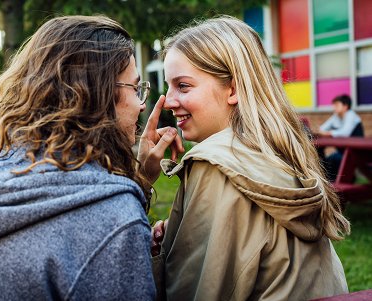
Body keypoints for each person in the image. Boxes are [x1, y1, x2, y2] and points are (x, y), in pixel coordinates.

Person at [0, 16, 156, 300]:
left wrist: (137, 182)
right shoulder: (112, 218)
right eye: (134, 88)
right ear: (98, 95)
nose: (142, 104)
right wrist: (126, 226)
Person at [139, 16, 351, 300]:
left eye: (184, 86)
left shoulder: (214, 164)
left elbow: (195, 291)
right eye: (168, 86)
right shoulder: (279, 150)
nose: (169, 100)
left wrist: (141, 183)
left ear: (234, 89)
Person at [318, 94, 364, 181]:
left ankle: (341, 182)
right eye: (333, 105)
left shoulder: (351, 115)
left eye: (337, 105)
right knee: (327, 160)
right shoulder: (336, 116)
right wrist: (323, 132)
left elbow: (345, 133)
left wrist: (328, 133)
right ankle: (332, 183)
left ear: (345, 106)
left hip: (355, 152)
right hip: (343, 151)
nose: (334, 108)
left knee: (334, 159)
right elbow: (322, 129)